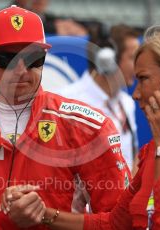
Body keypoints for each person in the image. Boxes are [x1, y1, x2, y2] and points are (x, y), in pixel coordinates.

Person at [0, 5, 131, 229]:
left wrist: (47, 216)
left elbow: (122, 221)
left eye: (33, 58)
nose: (21, 70)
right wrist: (0, 217)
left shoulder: (89, 126)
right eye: (7, 58)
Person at [5, 26, 160, 229]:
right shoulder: (153, 153)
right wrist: (41, 214)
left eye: (143, 79)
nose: (135, 94)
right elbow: (114, 224)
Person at [59, 24, 140, 172]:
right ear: (108, 60)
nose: (138, 65)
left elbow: (133, 157)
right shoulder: (66, 101)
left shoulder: (127, 103)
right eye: (132, 57)